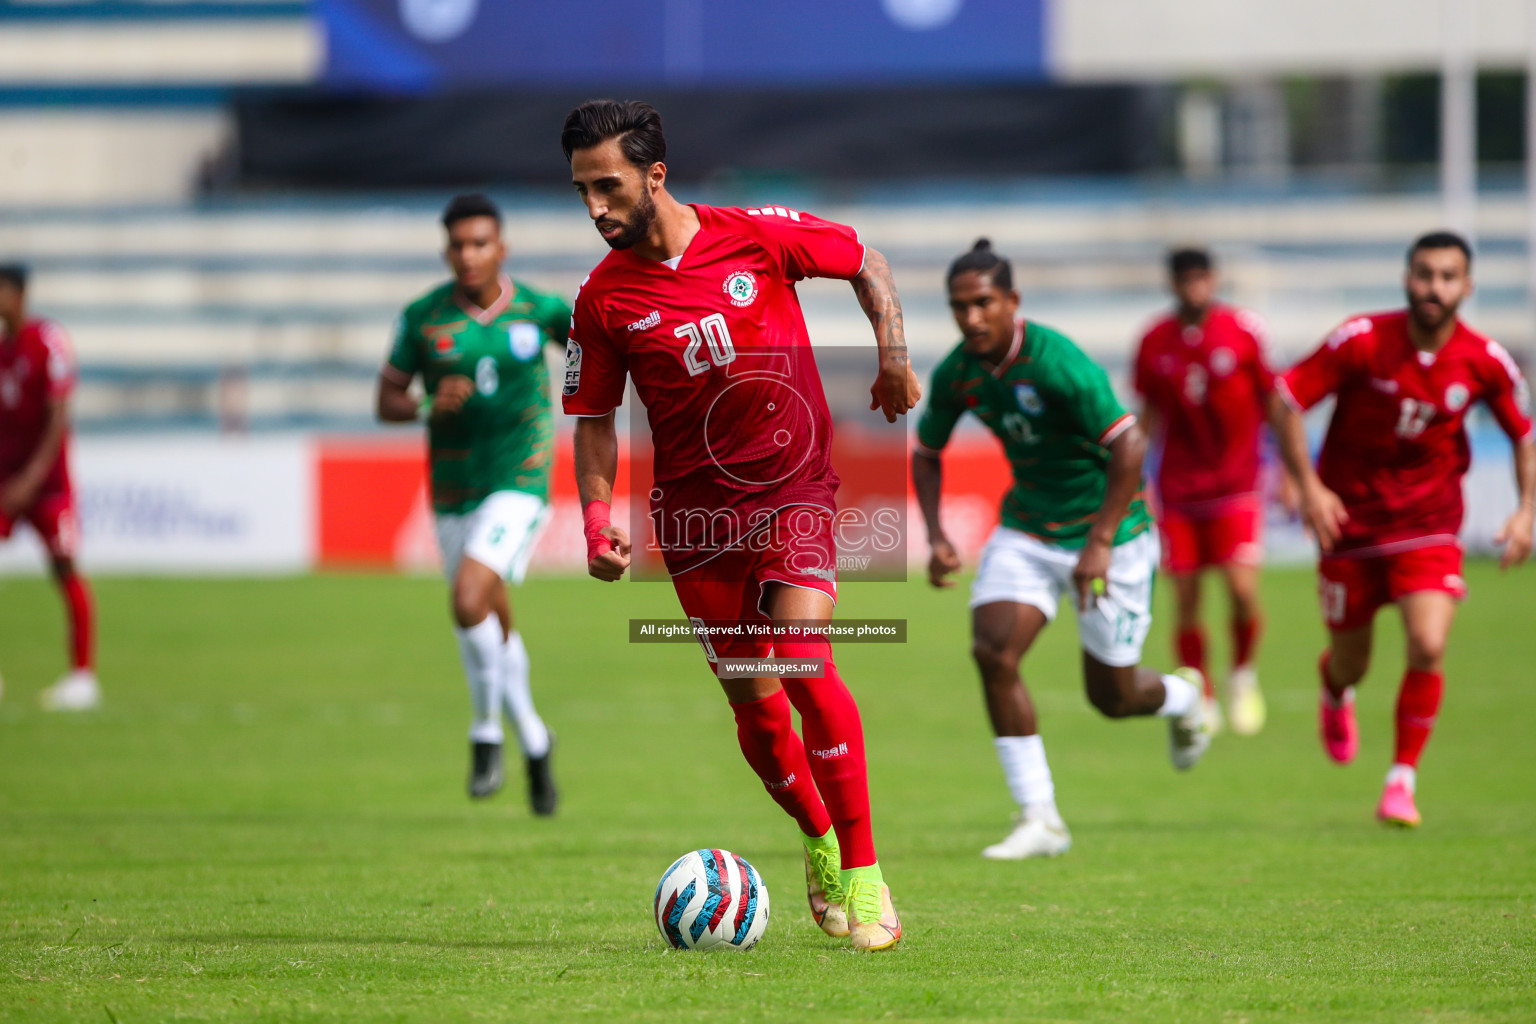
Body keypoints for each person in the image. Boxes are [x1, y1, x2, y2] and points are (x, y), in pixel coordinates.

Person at [560, 99, 918, 950]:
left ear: (655, 175)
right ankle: (818, 839)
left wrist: (894, 357)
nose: (595, 208)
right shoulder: (602, 301)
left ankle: (866, 879)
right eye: (581, 191)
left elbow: (866, 260)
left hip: (795, 491)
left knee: (804, 658)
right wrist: (595, 519)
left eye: (607, 186)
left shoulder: (758, 235)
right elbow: (595, 419)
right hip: (693, 522)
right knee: (758, 719)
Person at [913, 239, 1210, 862]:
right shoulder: (959, 372)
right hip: (1027, 528)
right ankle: (1040, 817)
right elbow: (927, 450)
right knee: (993, 651)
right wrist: (938, 536)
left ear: (1012, 302)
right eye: (958, 307)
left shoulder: (1059, 363)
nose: (971, 318)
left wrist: (1099, 542)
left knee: (1114, 697)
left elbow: (1129, 446)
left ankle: (1187, 700)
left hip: (1113, 534)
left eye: (983, 303)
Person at [1268, 231, 1533, 828]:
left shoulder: (1484, 359)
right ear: (1406, 278)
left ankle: (1401, 780)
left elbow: (1524, 433)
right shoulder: (1361, 340)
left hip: (1429, 525)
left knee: (1429, 644)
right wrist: (1309, 487)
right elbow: (1284, 400)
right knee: (1351, 662)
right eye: (1423, 274)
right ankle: (1334, 690)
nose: (1433, 287)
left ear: (1466, 286)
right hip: (1350, 526)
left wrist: (1526, 510)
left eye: (1446, 277)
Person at [376, 194, 563, 813]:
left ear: (501, 249)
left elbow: (599, 350)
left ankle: (485, 732)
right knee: (488, 616)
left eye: (480, 243)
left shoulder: (539, 310)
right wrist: (428, 405)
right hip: (453, 490)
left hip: (521, 477)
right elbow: (387, 401)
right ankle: (535, 738)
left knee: (466, 599)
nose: (468, 255)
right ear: (446, 251)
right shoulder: (423, 318)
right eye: (458, 245)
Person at [1133, 247, 1274, 735]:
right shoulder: (1154, 341)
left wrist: (1296, 477)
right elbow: (1147, 415)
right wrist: (1133, 481)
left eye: (1201, 278)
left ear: (1213, 280)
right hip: (1179, 490)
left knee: (1241, 590)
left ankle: (1242, 674)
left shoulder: (1243, 332)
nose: (1195, 287)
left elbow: (1271, 399)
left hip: (1237, 486)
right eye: (1185, 279)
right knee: (1187, 599)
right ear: (1172, 284)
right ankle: (1204, 695)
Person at [0, 264, 99, 711]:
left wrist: (32, 478)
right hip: (6, 482)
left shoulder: (47, 342)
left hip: (46, 484)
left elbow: (59, 414)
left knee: (64, 567)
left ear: (18, 295)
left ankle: (82, 677)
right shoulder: (2, 351)